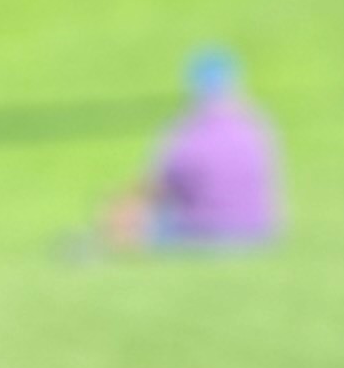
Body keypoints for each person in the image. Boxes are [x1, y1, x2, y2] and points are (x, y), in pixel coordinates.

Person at [100, 49, 283, 251]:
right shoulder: (257, 125)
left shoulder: (186, 130)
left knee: (137, 217)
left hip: (201, 231)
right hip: (255, 230)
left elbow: (156, 186)